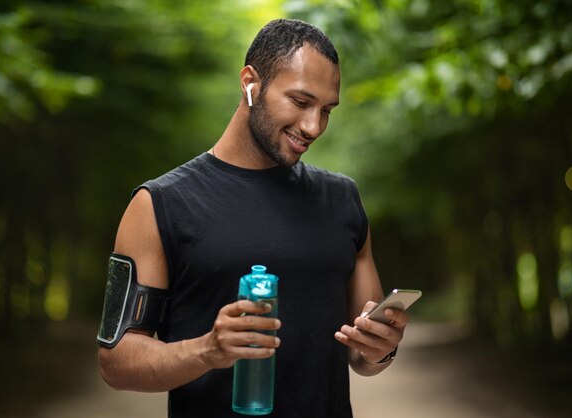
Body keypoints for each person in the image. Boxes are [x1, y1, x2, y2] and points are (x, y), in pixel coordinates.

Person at [98, 18, 409, 418]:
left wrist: (381, 349)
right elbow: (116, 362)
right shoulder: (159, 204)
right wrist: (208, 350)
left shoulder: (342, 199)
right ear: (250, 83)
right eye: (300, 102)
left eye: (327, 110)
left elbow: (363, 357)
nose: (314, 126)